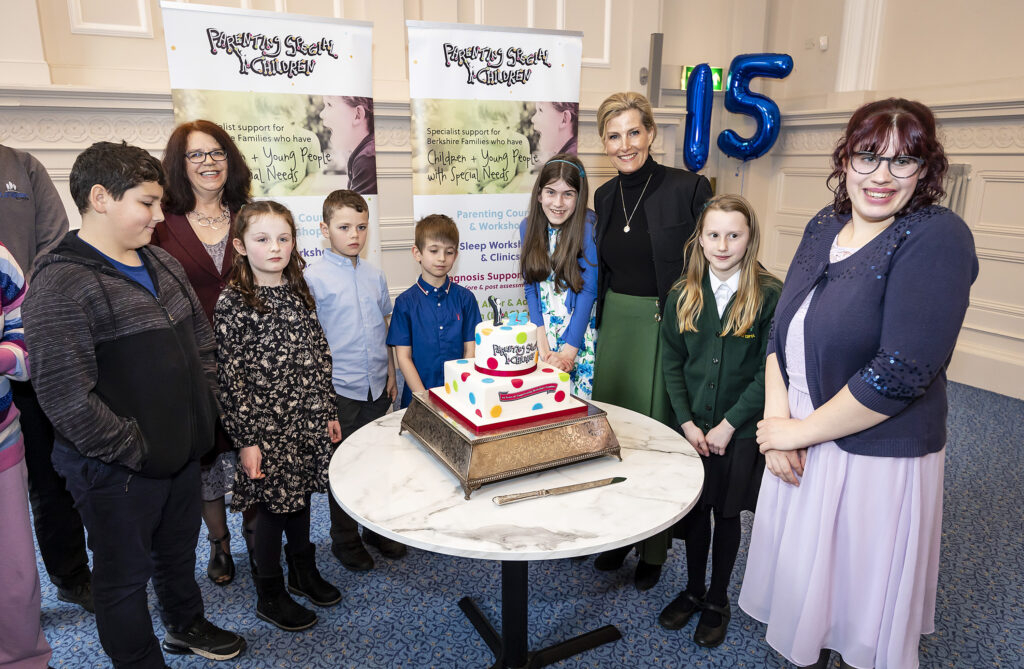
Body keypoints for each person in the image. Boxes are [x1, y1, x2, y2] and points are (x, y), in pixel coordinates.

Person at [739, 98, 978, 669]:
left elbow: (899, 373)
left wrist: (792, 435)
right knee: (807, 583)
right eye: (868, 156)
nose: (881, 176)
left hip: (871, 447)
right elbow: (781, 329)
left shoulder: (936, 236)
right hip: (797, 426)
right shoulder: (824, 222)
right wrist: (778, 423)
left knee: (853, 589)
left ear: (926, 170)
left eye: (903, 161)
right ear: (845, 159)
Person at [22, 141, 246, 667]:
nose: (159, 215)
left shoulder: (162, 261)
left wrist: (204, 413)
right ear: (100, 198)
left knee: (176, 556)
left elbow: (203, 345)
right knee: (122, 580)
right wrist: (138, 450)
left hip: (182, 455)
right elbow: (65, 398)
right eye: (146, 203)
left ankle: (186, 626)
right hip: (117, 472)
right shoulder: (59, 284)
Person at [589, 91, 712, 590]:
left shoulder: (688, 187)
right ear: (604, 142)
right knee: (613, 436)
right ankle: (617, 534)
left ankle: (654, 548)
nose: (625, 145)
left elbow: (713, 260)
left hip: (665, 325)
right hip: (615, 324)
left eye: (633, 132)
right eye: (614, 136)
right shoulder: (601, 196)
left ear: (651, 133)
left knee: (657, 438)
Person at [656, 194, 781, 648]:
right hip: (691, 430)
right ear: (701, 239)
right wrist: (687, 423)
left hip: (739, 431)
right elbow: (671, 361)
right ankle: (691, 589)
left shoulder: (769, 295)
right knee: (696, 514)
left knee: (727, 515)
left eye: (734, 235)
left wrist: (729, 424)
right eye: (714, 234)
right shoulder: (681, 295)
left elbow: (771, 370)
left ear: (750, 239)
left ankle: (718, 598)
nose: (723, 244)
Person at [215, 200, 342, 632]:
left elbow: (318, 352)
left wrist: (326, 409)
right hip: (266, 429)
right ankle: (270, 593)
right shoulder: (232, 302)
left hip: (305, 418)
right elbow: (231, 379)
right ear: (241, 245)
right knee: (271, 509)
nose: (275, 247)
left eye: (284, 238)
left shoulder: (297, 288)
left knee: (302, 496)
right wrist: (246, 439)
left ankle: (303, 572)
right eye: (263, 239)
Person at [154, 119, 254, 586]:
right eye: (196, 155)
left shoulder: (251, 215)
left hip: (254, 359)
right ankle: (218, 543)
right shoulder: (162, 224)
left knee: (255, 449)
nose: (209, 163)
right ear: (180, 164)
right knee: (208, 457)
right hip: (193, 363)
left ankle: (260, 538)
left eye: (217, 153)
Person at [0, 143, 93, 612]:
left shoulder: (22, 166)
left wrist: (17, 316)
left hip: (30, 344)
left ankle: (71, 573)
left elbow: (53, 243)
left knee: (49, 468)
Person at [305, 190, 407, 571]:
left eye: (362, 227)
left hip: (377, 385)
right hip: (340, 390)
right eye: (344, 227)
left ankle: (375, 528)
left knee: (378, 462)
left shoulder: (374, 274)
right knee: (343, 468)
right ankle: (344, 539)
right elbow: (311, 341)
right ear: (324, 229)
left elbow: (384, 326)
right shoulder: (312, 279)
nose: (355, 235)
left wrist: (392, 373)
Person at [0, 242, 52, 668]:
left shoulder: (1, 259)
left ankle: (24, 660)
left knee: (15, 576)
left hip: (2, 441)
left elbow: (28, 337)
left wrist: (4, 357)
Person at [518, 154, 598, 398]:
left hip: (576, 339)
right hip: (542, 338)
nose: (558, 202)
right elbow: (531, 287)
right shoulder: (528, 227)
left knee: (576, 413)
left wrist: (567, 354)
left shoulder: (586, 227)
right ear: (540, 193)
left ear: (579, 196)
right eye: (551, 192)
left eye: (568, 194)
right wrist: (542, 348)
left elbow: (588, 291)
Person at [387, 214, 482, 409]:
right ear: (417, 253)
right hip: (417, 398)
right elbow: (403, 357)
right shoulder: (405, 303)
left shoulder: (466, 299)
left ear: (456, 255)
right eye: (433, 250)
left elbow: (470, 350)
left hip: (459, 397)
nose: (441, 258)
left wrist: (460, 389)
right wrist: (424, 398)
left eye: (449, 252)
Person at [320, 96, 378, 194]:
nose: (321, 114)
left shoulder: (367, 159)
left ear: (357, 115)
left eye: (329, 104)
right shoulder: (365, 154)